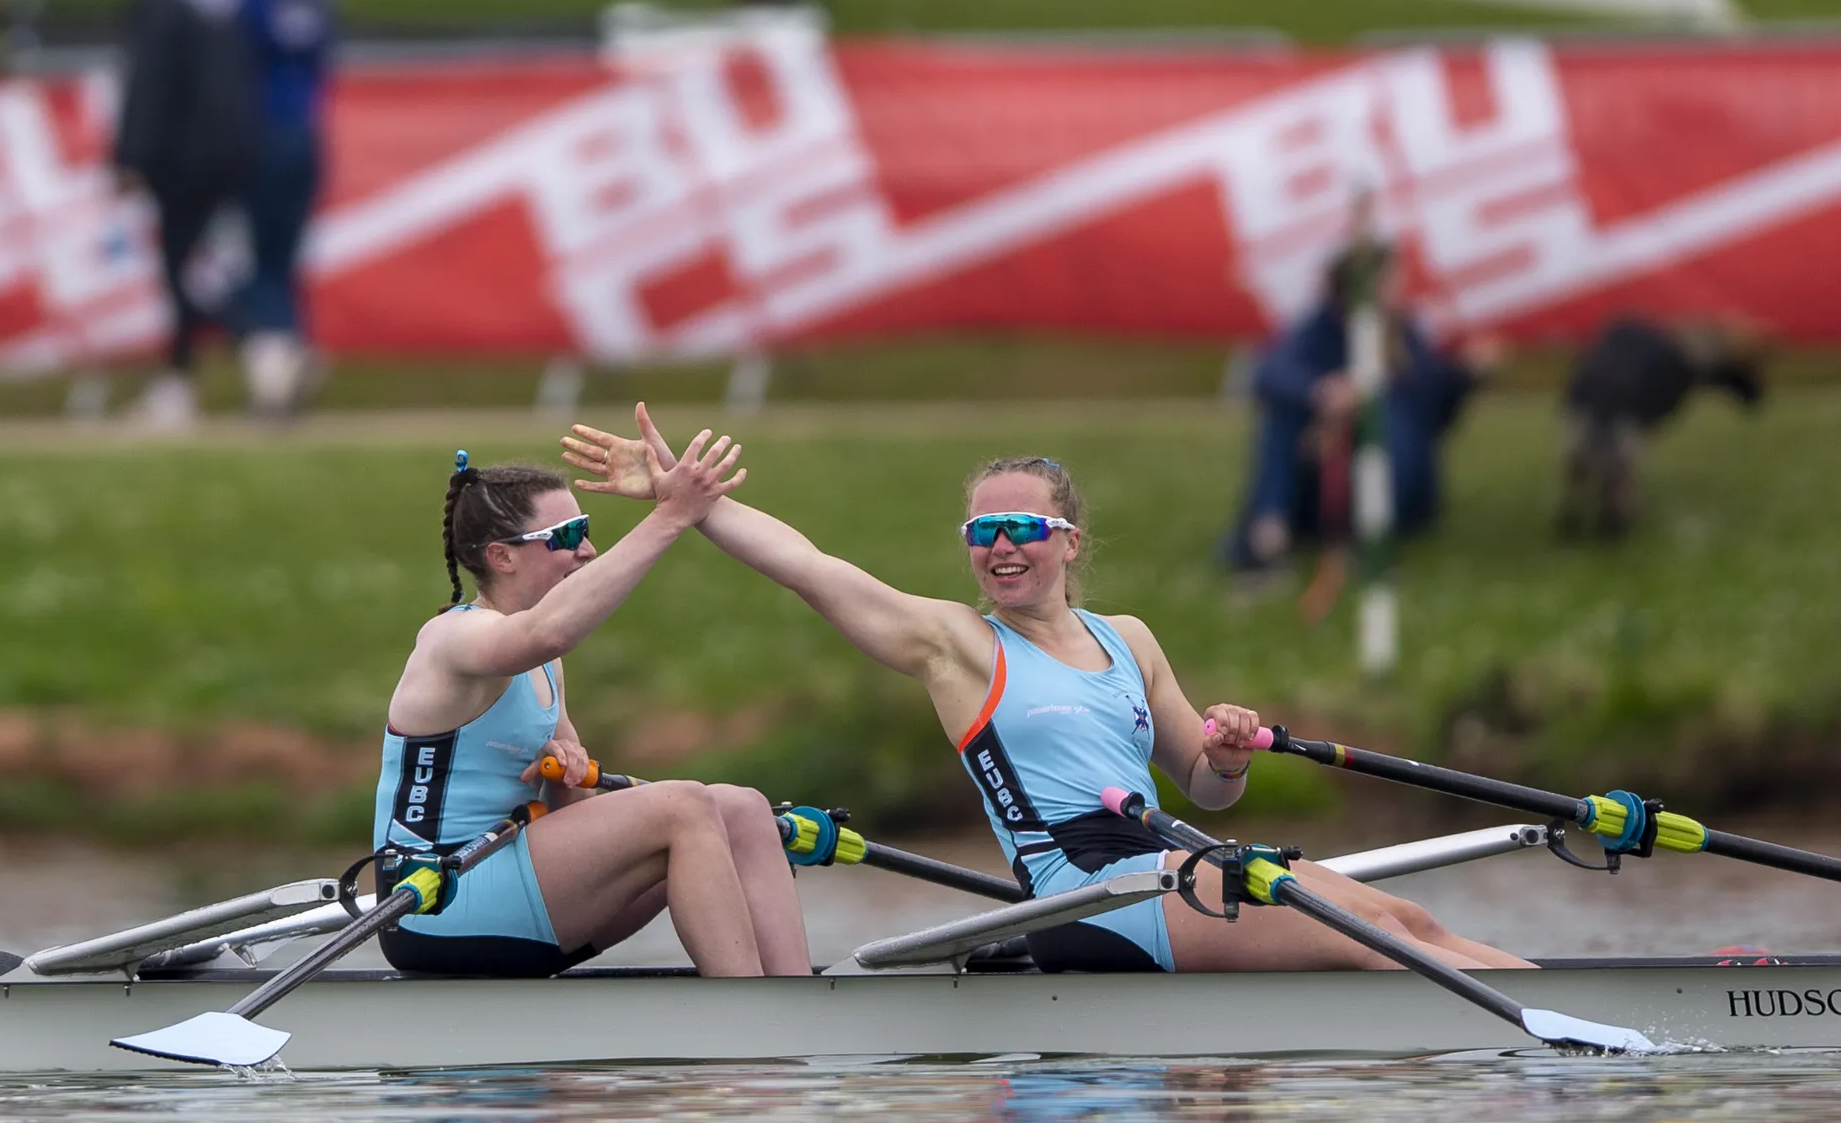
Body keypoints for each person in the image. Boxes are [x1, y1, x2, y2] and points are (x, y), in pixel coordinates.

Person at [563, 407, 1531, 977]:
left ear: (1068, 542)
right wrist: (687, 504)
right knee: (1368, 934)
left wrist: (1227, 754)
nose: (1002, 548)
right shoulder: (954, 646)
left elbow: (1207, 785)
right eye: (982, 535)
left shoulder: (1130, 641)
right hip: (1080, 902)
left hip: (1173, 861)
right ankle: (1570, 1032)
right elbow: (811, 569)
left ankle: (1550, 990)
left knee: (1406, 921)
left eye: (1023, 529)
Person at [375, 441, 811, 979]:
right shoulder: (453, 639)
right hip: (435, 905)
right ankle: (747, 1022)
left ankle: (792, 997)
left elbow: (575, 813)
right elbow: (550, 630)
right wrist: (671, 516)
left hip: (513, 887)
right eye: (566, 537)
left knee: (741, 809)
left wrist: (567, 776)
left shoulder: (544, 663)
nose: (587, 550)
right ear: (502, 557)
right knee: (683, 806)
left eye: (584, 529)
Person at [1221, 245, 1493, 574]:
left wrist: (1466, 375)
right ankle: (1268, 533)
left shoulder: (1405, 334)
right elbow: (1271, 371)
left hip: (1397, 485)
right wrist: (1324, 393)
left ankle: (1350, 534)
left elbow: (1433, 412)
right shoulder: (1321, 326)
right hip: (1320, 477)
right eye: (1391, 280)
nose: (1400, 289)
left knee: (1386, 415)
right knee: (1285, 415)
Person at [109, 0, 258, 429]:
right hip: (236, 147)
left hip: (181, 155)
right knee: (217, 260)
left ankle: (199, 372)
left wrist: (131, 158)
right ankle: (263, 349)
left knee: (182, 265)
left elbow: (150, 85)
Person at [221, 0, 335, 419]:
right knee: (282, 255)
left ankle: (275, 368)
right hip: (305, 126)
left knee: (257, 257)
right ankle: (290, 351)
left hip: (261, 128)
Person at [1557, 316, 1764, 539]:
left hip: (1592, 399)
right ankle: (1606, 513)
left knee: (1586, 460)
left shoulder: (1631, 340)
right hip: (1620, 404)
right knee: (1612, 464)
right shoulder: (1675, 357)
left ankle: (1580, 510)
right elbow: (1725, 376)